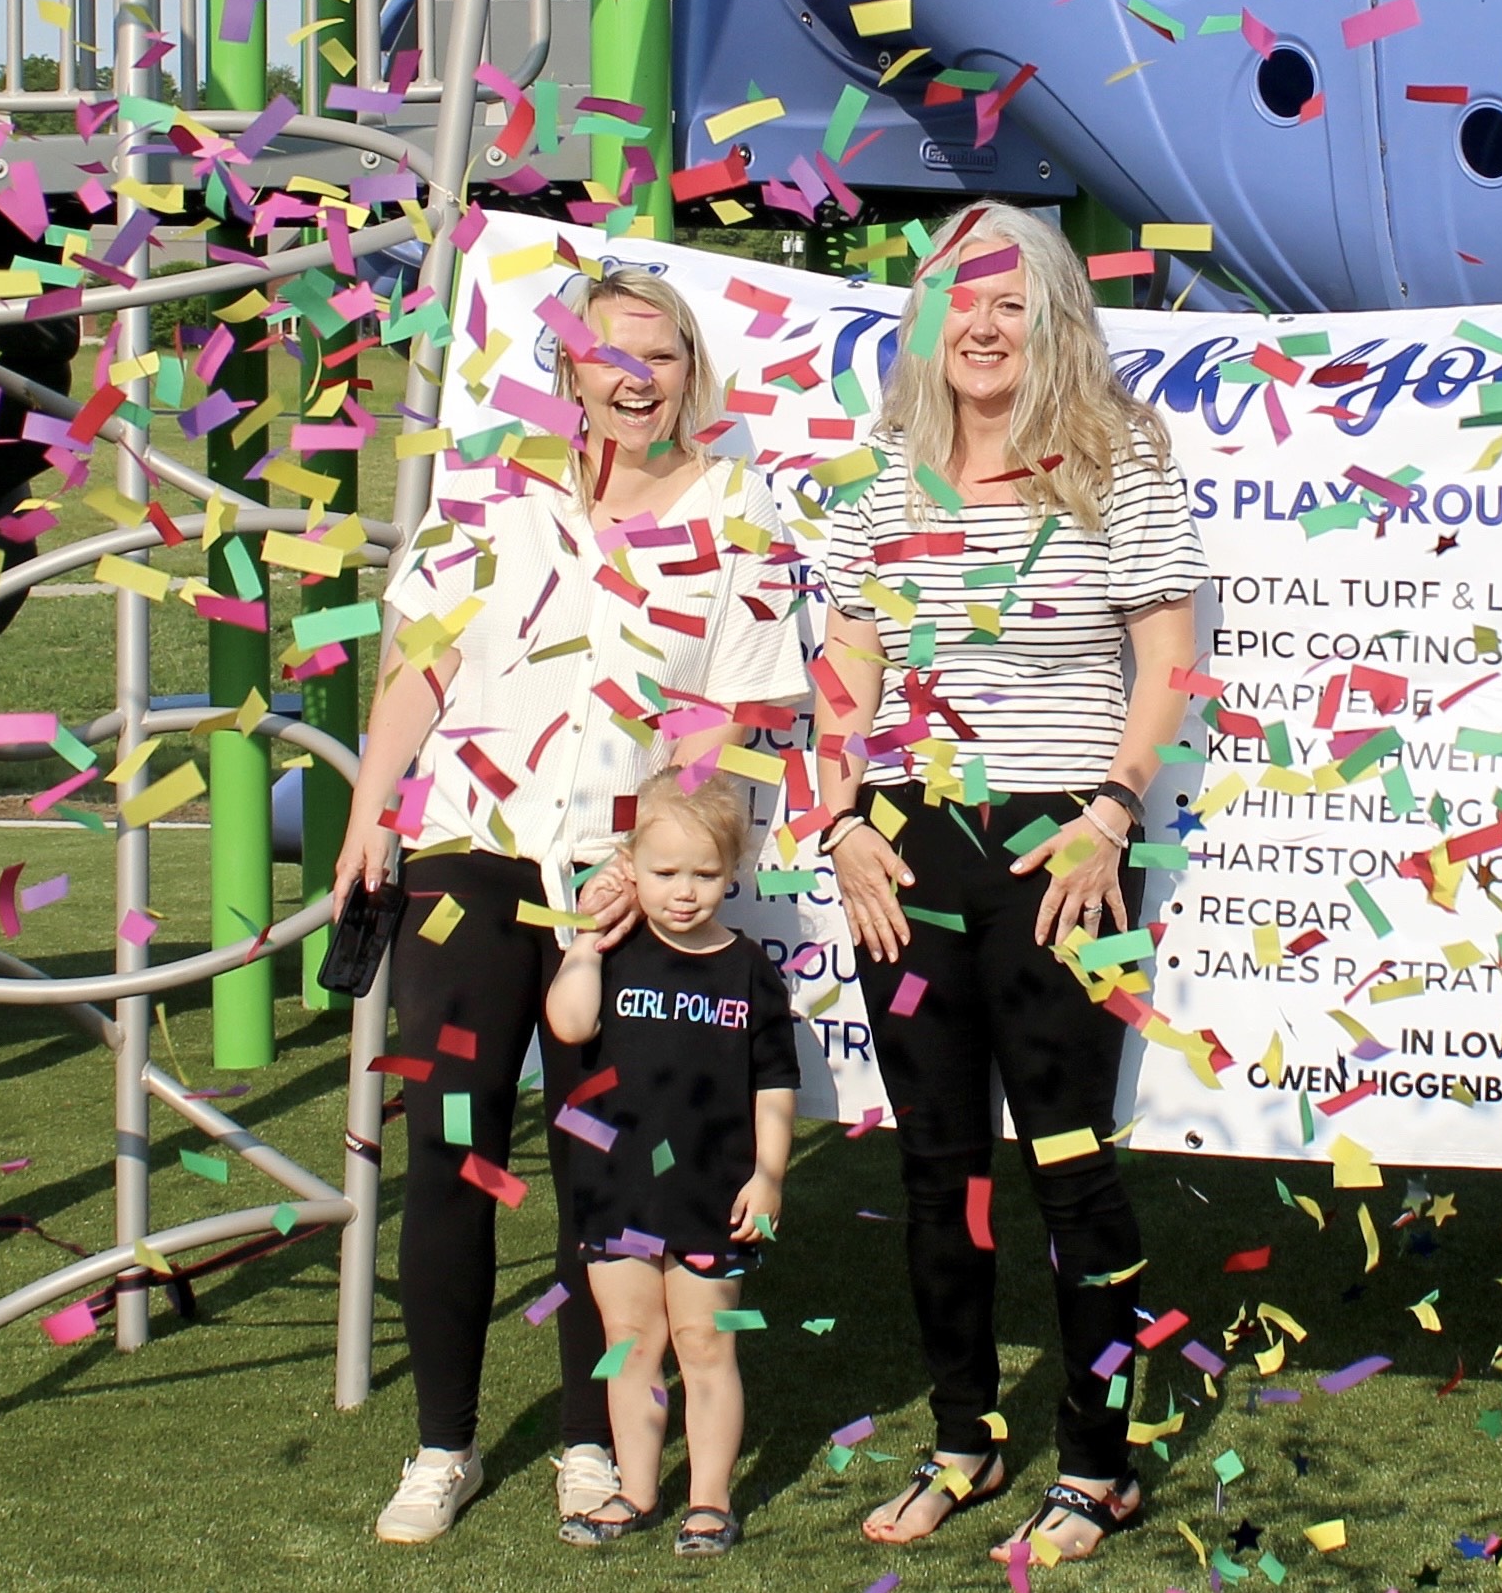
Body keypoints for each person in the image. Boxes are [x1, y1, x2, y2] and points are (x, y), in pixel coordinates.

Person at [333, 265, 809, 1546]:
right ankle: (443, 1446)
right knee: (451, 1145)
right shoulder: (490, 489)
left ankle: (592, 1445)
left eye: (663, 356)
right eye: (614, 356)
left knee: (605, 1165)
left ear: (690, 376)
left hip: (625, 879)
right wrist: (371, 815)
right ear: (573, 369)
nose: (637, 378)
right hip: (469, 855)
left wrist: (652, 857)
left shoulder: (738, 512)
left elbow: (739, 718)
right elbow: (415, 669)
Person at [814, 201, 1203, 1564]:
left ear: (1050, 316)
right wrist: (842, 817)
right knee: (939, 1167)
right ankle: (965, 1437)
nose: (979, 325)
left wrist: (1109, 810)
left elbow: (1169, 663)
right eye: (954, 299)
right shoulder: (885, 470)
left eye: (1008, 300)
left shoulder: (1119, 459)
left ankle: (1099, 1466)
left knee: (1070, 1163)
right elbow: (844, 662)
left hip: (1061, 849)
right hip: (905, 850)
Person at [544, 773, 800, 1557]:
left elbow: (775, 1085)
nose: (684, 893)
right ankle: (636, 1489)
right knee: (630, 1337)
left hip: (711, 1195)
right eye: (663, 873)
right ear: (630, 865)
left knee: (704, 1342)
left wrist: (769, 1175)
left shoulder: (749, 969)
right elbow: (567, 1021)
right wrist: (586, 942)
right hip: (615, 1191)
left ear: (733, 871)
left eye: (703, 874)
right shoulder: (613, 952)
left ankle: (711, 1500)